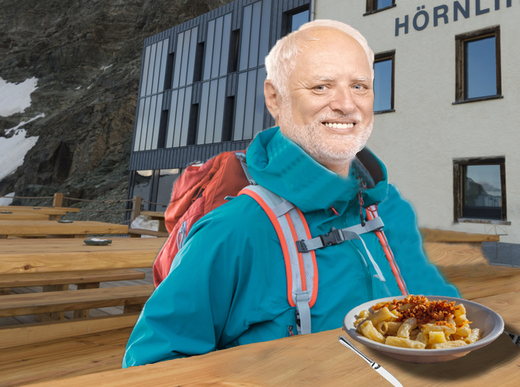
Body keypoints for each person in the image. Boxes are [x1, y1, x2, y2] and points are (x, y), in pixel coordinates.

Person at [122, 19, 457, 367]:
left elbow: (439, 317)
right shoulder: (235, 230)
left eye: (359, 86)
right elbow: (154, 365)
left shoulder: (387, 208)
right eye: (321, 87)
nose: (346, 104)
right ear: (274, 98)